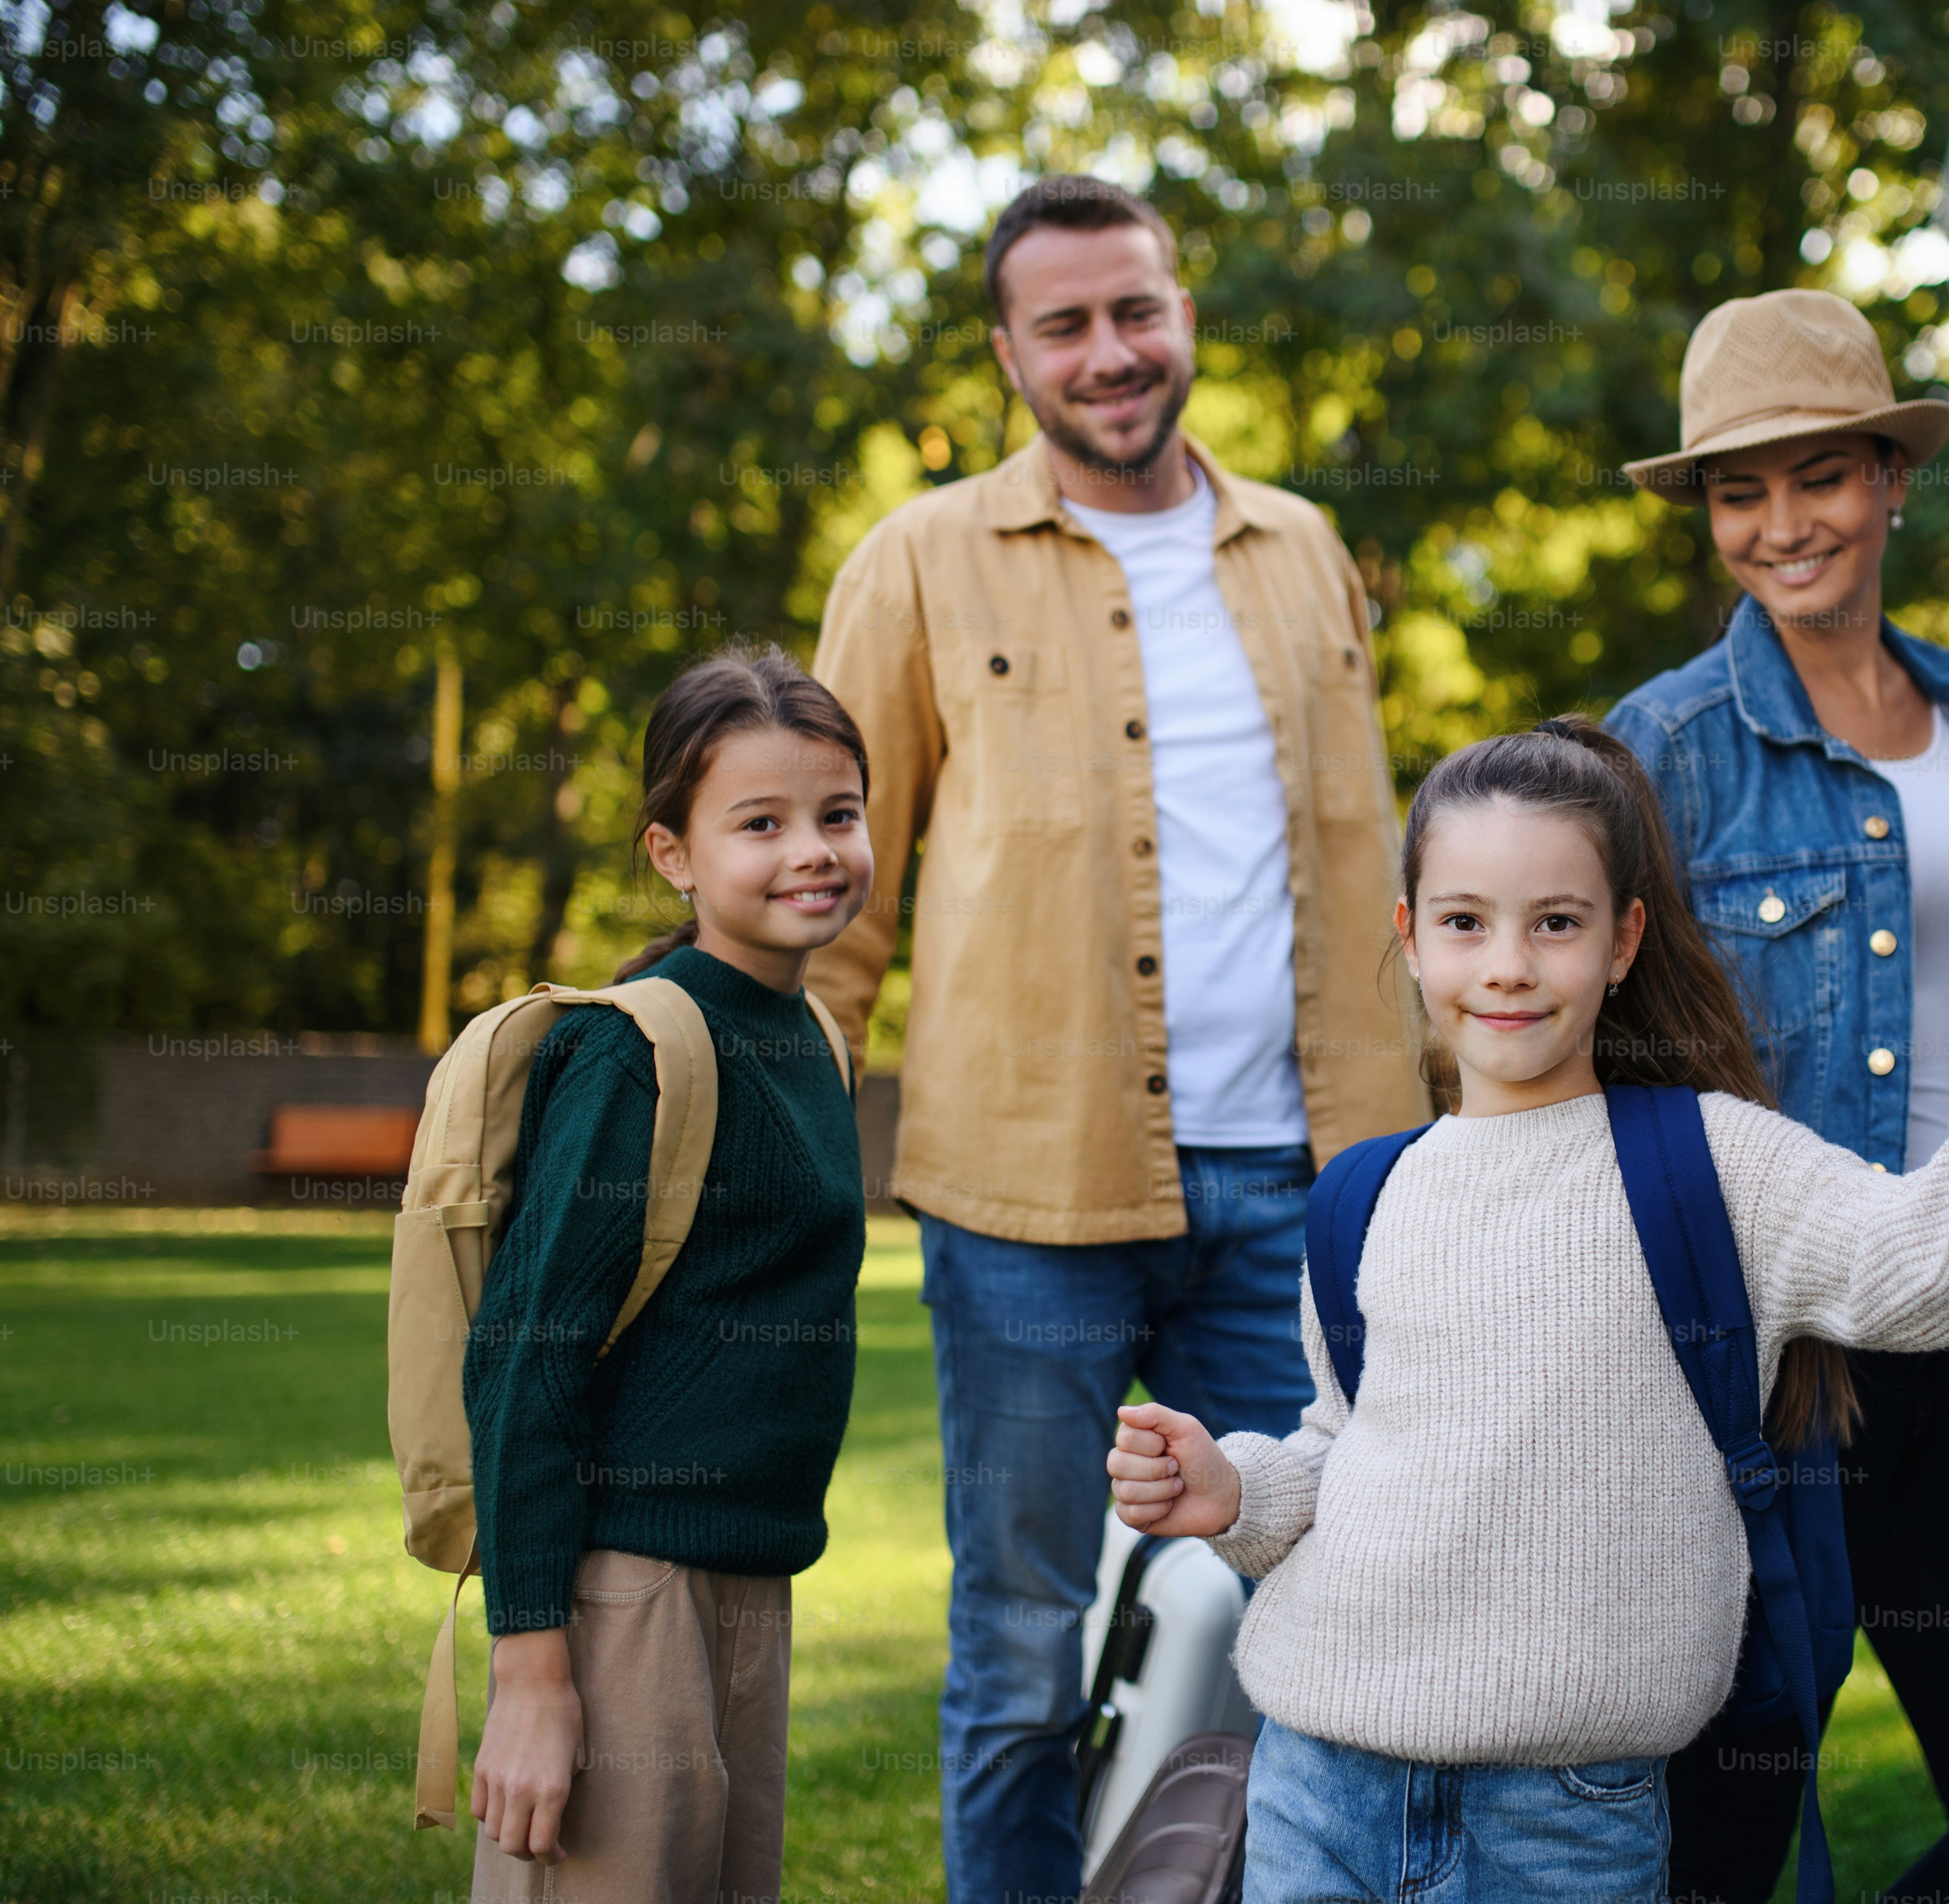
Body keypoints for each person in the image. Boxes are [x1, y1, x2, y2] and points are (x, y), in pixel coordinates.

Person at [1104, 717, 1949, 1904]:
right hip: (1320, 1788)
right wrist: (1238, 1490)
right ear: (1411, 934)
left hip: (1565, 1820)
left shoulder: (1713, 1167)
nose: (1508, 966)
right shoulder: (1361, 1196)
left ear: (1624, 939)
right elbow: (1347, 1448)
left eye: (1558, 923)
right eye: (1465, 921)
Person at [801, 175, 1429, 1904]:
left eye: (1134, 310)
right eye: (1063, 324)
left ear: (1184, 314)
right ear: (1008, 351)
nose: (1109, 352)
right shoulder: (916, 560)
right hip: (1024, 1194)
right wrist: (774, 1137)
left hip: (1300, 1190)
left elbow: (1367, 851)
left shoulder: (1302, 549)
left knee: (1312, 1602)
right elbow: (835, 881)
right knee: (1018, 1643)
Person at [1605, 286, 1949, 1903]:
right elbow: (1598, 1053)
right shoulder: (1662, 750)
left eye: (1818, 476)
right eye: (1737, 493)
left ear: (1891, 484)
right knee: (1740, 1821)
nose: (1779, 525)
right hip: (1769, 1361)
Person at [463, 645, 877, 1897]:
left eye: (838, 815)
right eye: (762, 822)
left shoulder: (811, 1033)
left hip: (751, 1579)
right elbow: (523, 1359)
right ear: (673, 854)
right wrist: (533, 1676)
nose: (812, 849)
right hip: (623, 1598)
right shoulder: (634, 1048)